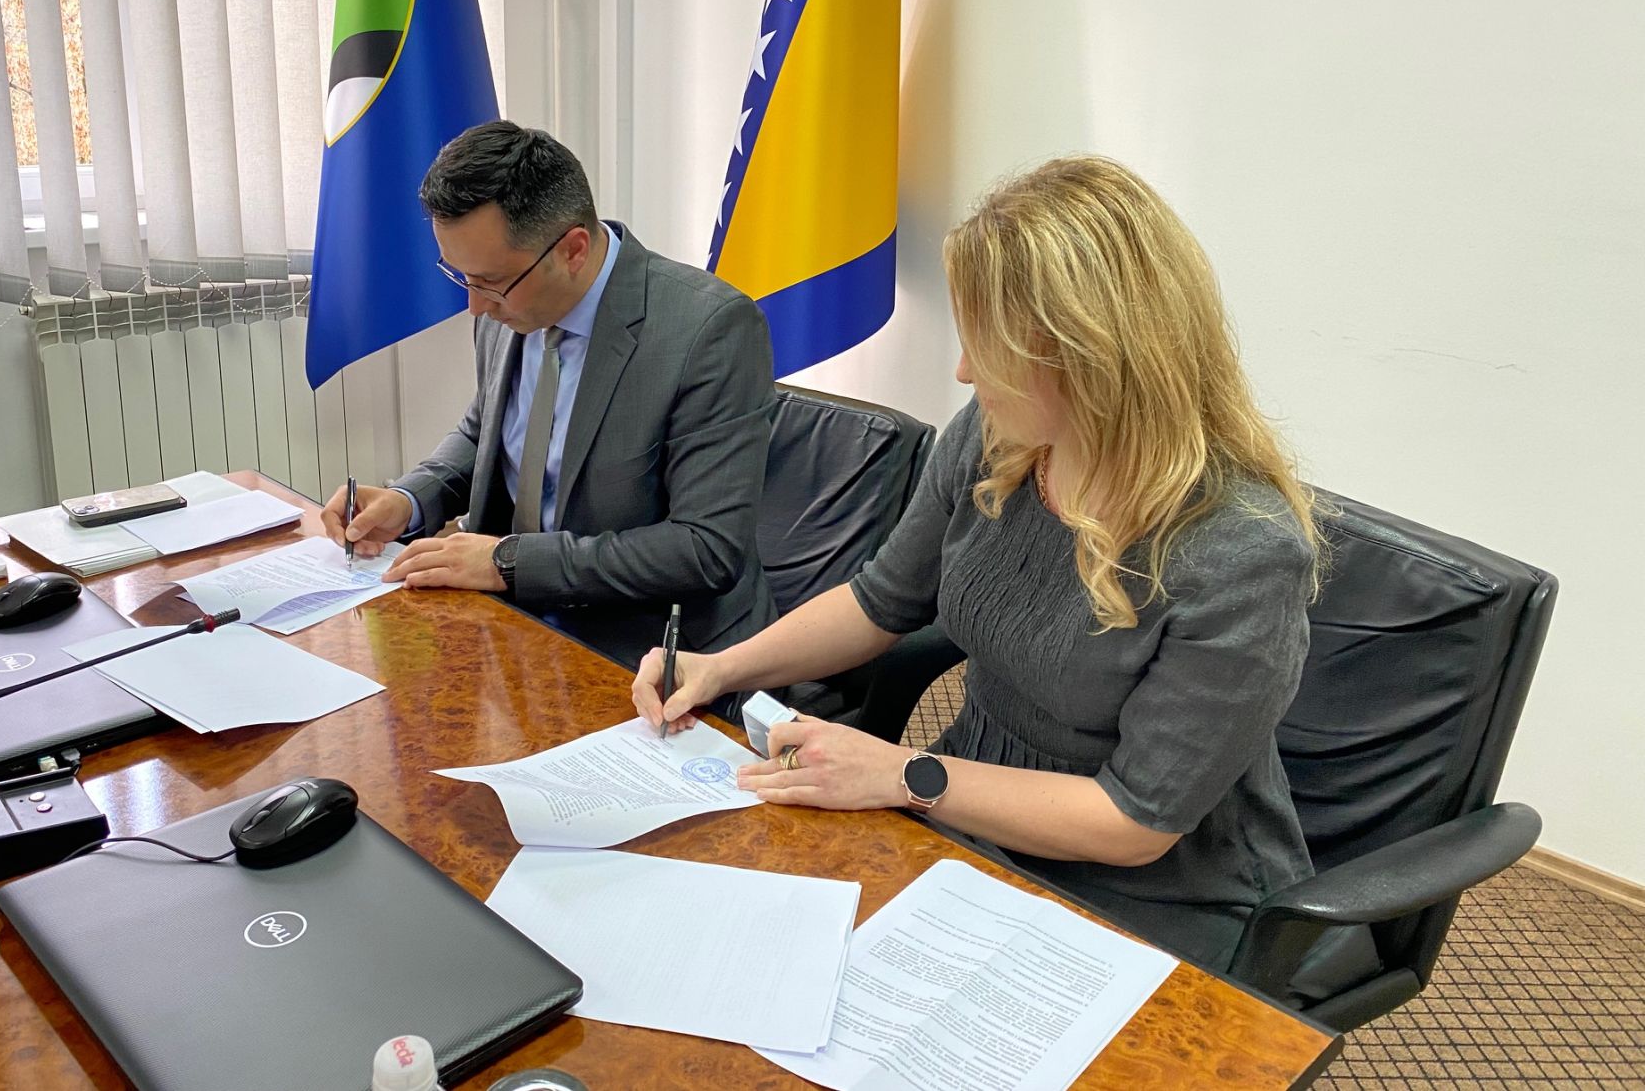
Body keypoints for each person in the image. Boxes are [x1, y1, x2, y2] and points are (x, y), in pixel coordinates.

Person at [633, 155, 1325, 966]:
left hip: (1152, 888)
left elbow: (1136, 822)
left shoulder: (1241, 552)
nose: (964, 371)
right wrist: (721, 668)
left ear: (1089, 359)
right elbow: (880, 601)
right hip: (967, 802)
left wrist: (902, 774)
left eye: (987, 348)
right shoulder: (1001, 437)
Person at [323, 120, 777, 665]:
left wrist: (509, 562)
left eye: (490, 283)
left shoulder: (709, 329)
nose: (475, 306)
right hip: (516, 623)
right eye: (462, 277)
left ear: (573, 250)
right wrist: (410, 499)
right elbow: (486, 432)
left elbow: (705, 550)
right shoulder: (508, 304)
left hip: (653, 648)